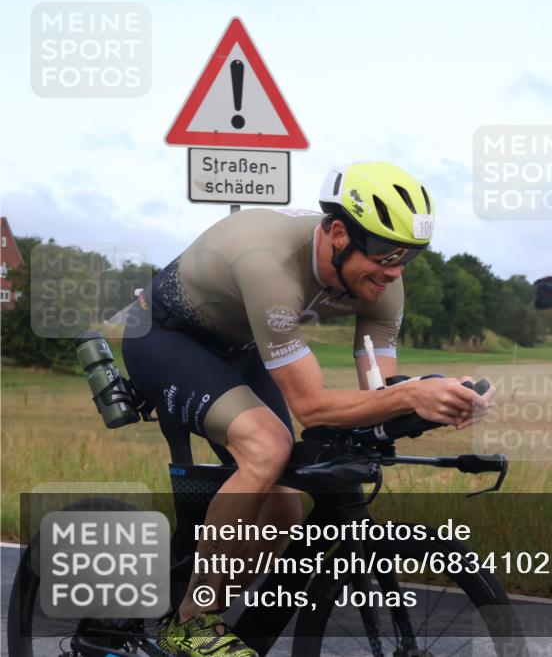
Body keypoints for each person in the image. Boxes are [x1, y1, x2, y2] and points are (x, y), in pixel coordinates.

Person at [121, 162, 491, 657]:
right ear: (338, 232)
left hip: (240, 348)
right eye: (384, 252)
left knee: (282, 503)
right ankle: (190, 623)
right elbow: (311, 408)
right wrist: (408, 396)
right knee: (266, 447)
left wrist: (436, 396)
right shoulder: (269, 265)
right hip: (163, 336)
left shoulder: (384, 284)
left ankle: (199, 607)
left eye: (409, 256)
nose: (395, 270)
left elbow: (380, 388)